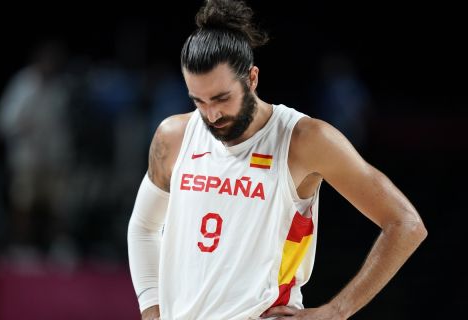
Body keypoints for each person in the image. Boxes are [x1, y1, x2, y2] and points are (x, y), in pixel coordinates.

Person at [127, 1, 427, 319]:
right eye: (199, 100)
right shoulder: (174, 136)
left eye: (221, 98)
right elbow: (144, 226)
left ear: (252, 78)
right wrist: (151, 309)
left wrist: (337, 311)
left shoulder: (303, 139)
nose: (211, 114)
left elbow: (405, 224)